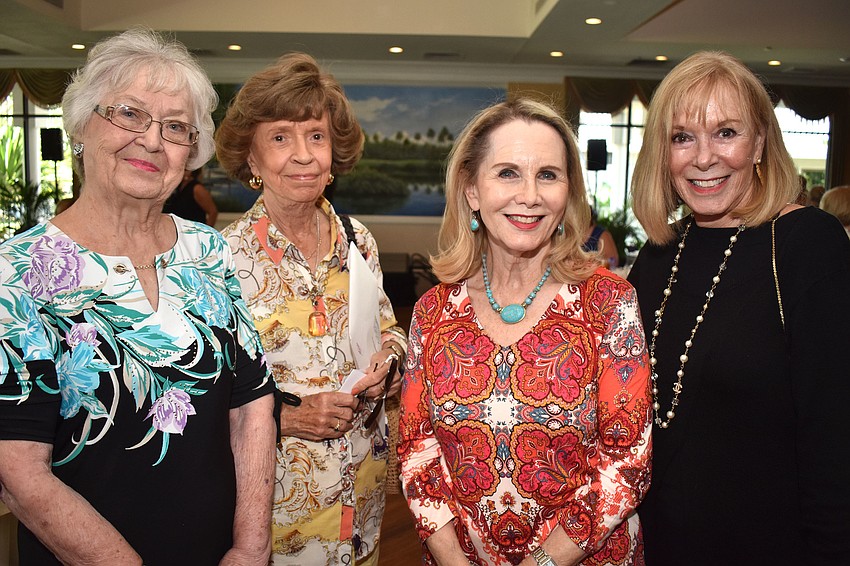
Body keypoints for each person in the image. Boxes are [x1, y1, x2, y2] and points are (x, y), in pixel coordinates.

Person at [0, 28, 277, 565]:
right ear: (81, 124)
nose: (151, 140)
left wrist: (250, 547)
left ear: (190, 153)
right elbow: (17, 468)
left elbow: (251, 405)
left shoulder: (207, 249)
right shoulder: (18, 272)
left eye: (175, 127)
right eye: (128, 114)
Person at [397, 98, 652, 566]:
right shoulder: (433, 312)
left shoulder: (609, 303)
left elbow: (626, 464)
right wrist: (453, 559)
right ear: (472, 190)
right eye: (508, 173)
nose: (530, 195)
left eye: (548, 175)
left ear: (568, 192)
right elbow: (417, 452)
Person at [628, 51, 850, 564]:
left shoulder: (805, 246)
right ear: (663, 154)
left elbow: (835, 438)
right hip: (657, 546)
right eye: (683, 137)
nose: (704, 157)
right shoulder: (660, 255)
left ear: (760, 144)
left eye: (726, 132)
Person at [215, 52, 407, 565]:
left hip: (360, 497)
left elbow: (390, 328)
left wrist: (390, 364)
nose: (303, 155)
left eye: (315, 136)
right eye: (280, 137)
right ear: (251, 159)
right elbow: (205, 395)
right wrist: (290, 416)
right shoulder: (222, 259)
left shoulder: (357, 240)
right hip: (277, 515)